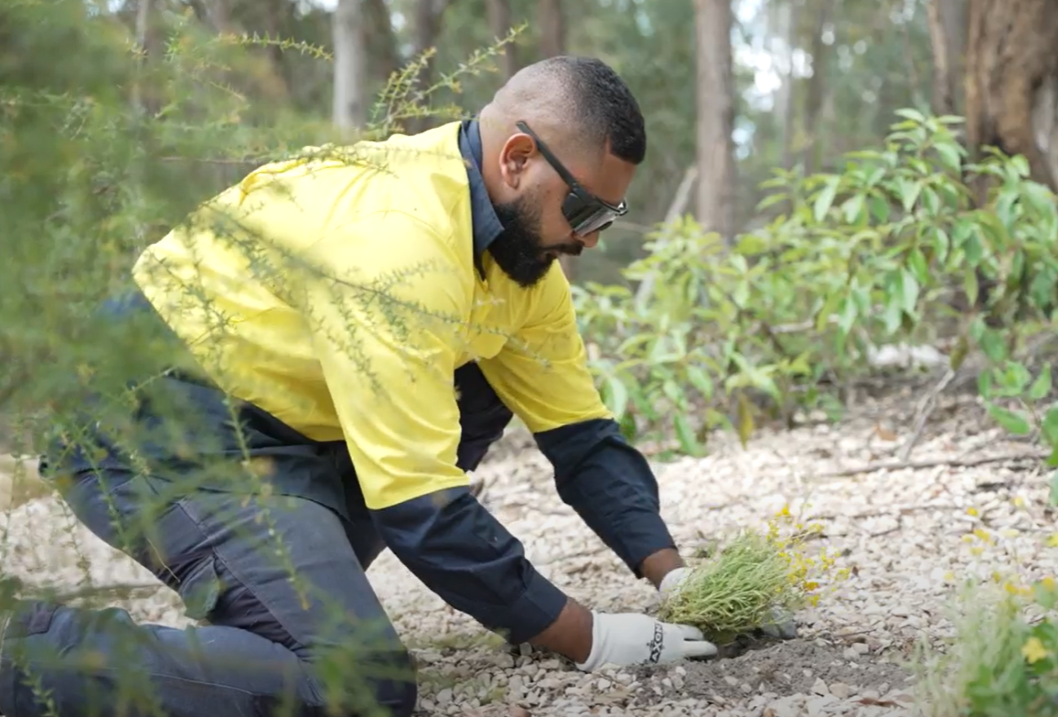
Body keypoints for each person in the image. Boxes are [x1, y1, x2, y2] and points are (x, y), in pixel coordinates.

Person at [0, 56, 786, 717]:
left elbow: (581, 438)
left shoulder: (523, 262)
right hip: (152, 421)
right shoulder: (399, 242)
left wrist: (675, 577)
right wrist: (586, 635)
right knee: (357, 681)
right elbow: (419, 502)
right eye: (580, 207)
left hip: (281, 433)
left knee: (481, 378)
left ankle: (40, 626)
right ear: (516, 158)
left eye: (605, 217)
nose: (585, 237)